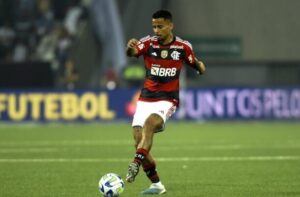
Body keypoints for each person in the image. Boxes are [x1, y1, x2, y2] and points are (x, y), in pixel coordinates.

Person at [125, 10, 206, 195]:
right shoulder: (147, 42)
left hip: (167, 100)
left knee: (150, 124)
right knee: (139, 142)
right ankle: (157, 185)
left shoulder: (182, 47)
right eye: (154, 26)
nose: (156, 30)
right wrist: (129, 47)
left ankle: (135, 164)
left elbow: (195, 62)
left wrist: (201, 67)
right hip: (146, 98)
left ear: (170, 26)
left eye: (160, 26)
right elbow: (133, 52)